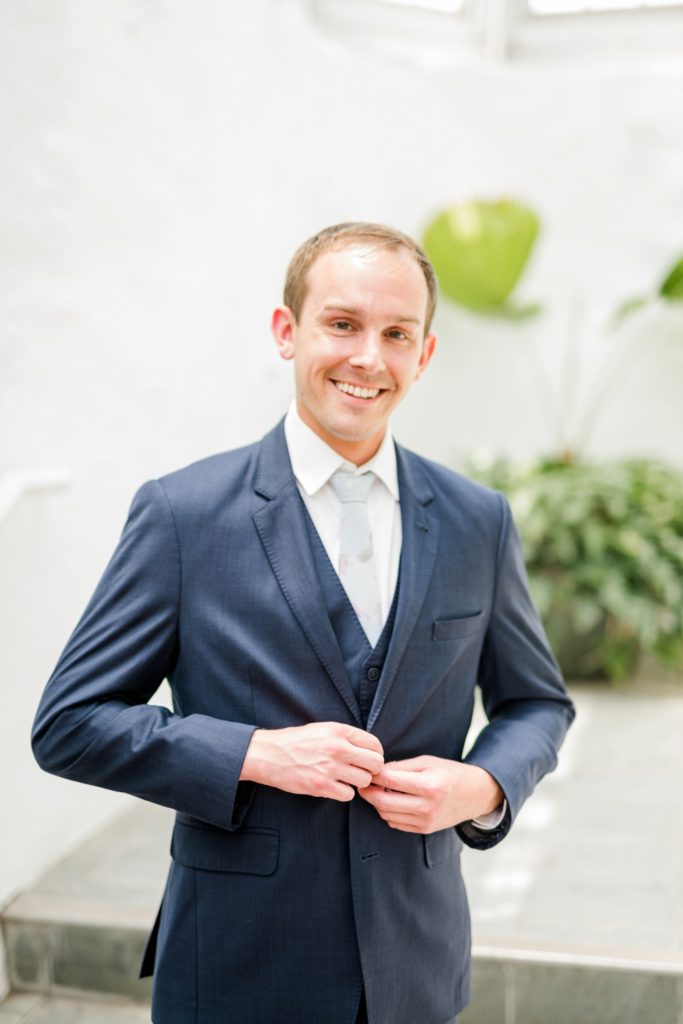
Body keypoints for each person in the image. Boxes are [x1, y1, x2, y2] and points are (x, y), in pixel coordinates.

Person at [32, 222, 575, 1024]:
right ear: (287, 331)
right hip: (239, 964)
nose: (368, 357)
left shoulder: (476, 520)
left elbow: (536, 704)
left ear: (423, 354)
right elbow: (70, 724)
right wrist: (252, 753)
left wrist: (482, 784)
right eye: (342, 324)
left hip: (414, 968)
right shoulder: (183, 515)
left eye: (397, 334)